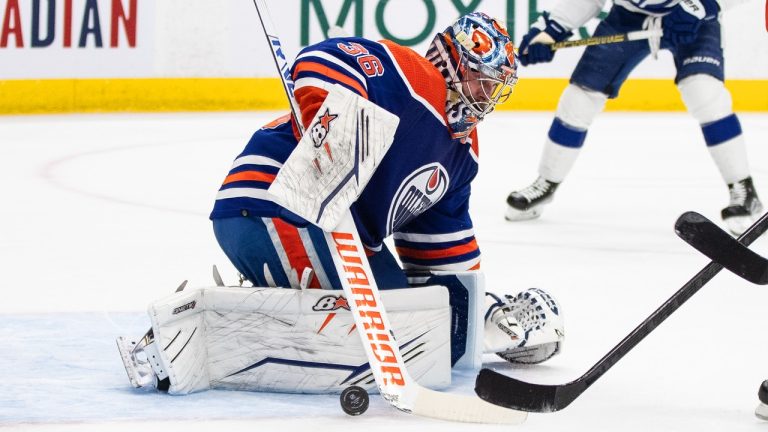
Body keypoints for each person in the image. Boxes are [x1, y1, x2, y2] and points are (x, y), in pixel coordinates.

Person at [115, 12, 565, 396]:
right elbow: (320, 61)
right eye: (481, 79)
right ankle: (189, 332)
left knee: (411, 323)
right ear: (450, 64)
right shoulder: (411, 75)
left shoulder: (462, 155)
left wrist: (480, 319)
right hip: (271, 201)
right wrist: (330, 128)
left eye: (496, 85)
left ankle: (251, 311)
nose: (488, 95)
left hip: (340, 237)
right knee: (372, 336)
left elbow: (442, 261)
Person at [504, 0, 762, 236]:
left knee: (703, 92)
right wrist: (551, 30)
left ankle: (743, 189)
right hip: (630, 16)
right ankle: (546, 183)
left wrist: (702, 5)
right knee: (579, 98)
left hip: (695, 16)